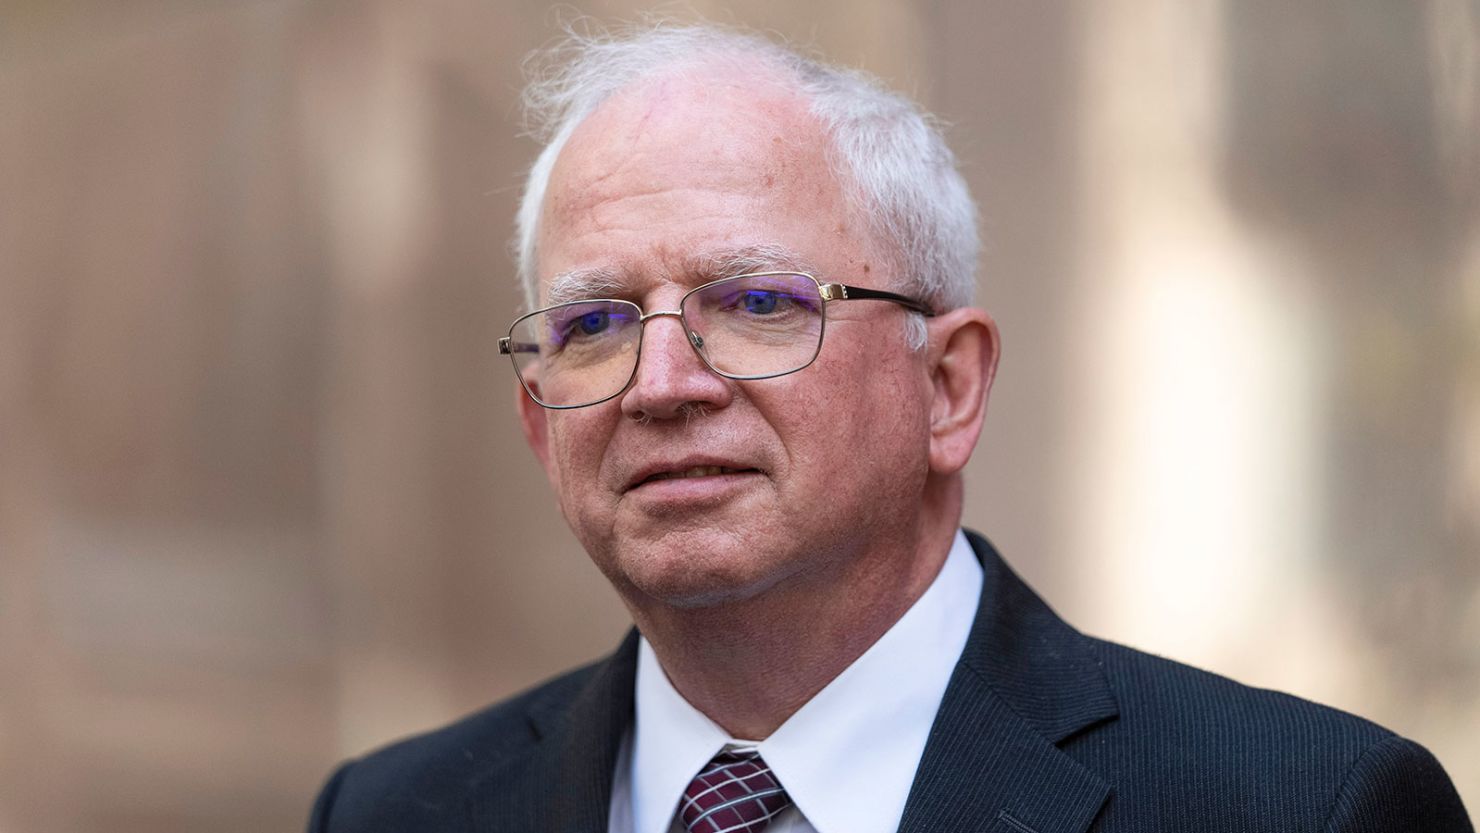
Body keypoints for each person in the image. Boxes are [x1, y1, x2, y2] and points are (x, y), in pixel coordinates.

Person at [308, 23, 1472, 833]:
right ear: (535, 421)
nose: (659, 381)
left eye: (757, 303)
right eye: (597, 322)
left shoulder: (1298, 808)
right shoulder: (393, 810)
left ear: (950, 386)